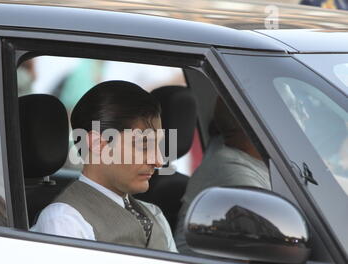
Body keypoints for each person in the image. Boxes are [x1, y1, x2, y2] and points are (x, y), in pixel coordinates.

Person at [31, 80, 177, 252]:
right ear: (98, 144)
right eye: (144, 145)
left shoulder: (155, 214)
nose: (159, 161)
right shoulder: (65, 222)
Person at [174, 97, 271, 254]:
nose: (305, 116)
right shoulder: (232, 173)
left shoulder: (253, 162)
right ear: (257, 124)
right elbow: (272, 245)